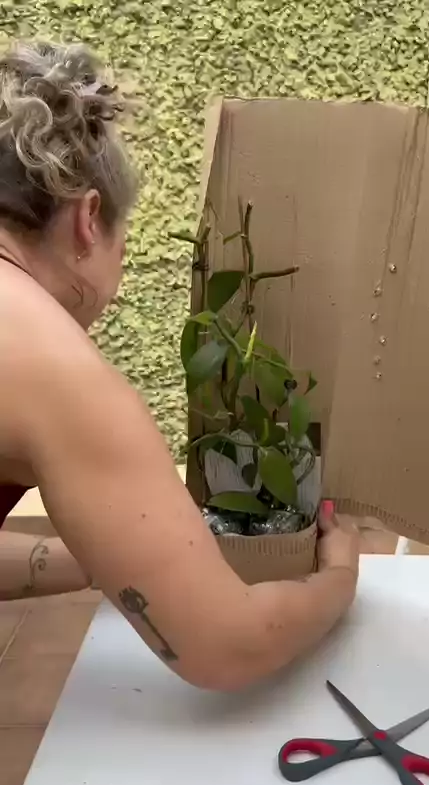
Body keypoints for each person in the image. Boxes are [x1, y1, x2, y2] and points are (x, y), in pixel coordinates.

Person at [0, 40, 361, 691]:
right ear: (88, 220)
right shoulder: (50, 364)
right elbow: (226, 646)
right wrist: (339, 579)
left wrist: (109, 556)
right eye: (124, 245)